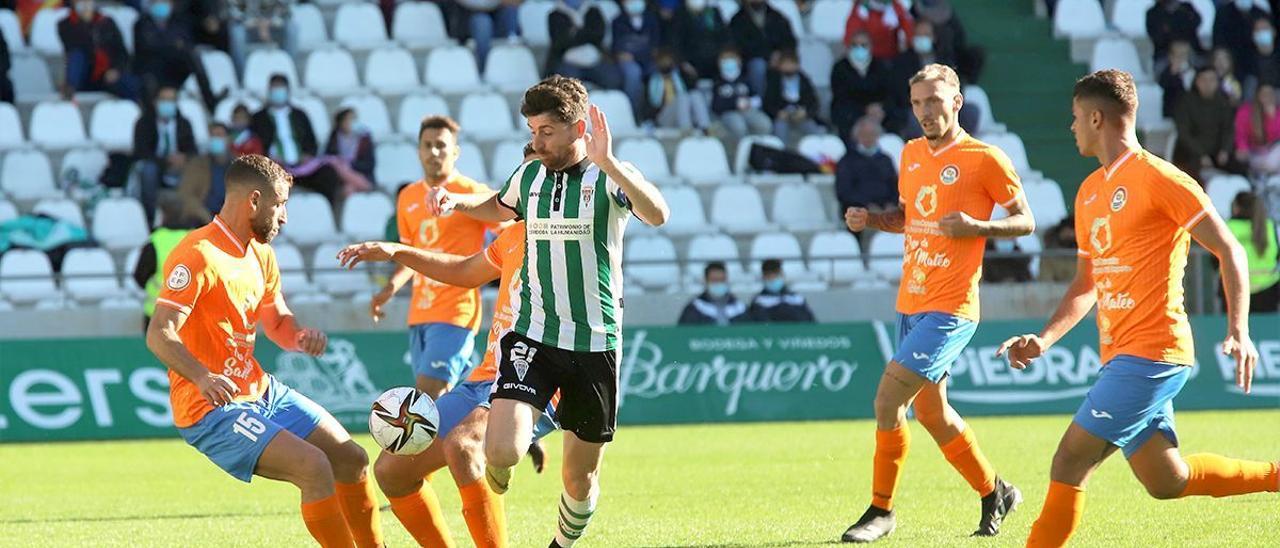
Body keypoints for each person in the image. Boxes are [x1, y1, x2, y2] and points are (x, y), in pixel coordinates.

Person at [997, 68, 1277, 547]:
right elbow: (1088, 282)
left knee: (1069, 461)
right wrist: (1045, 338)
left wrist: (1239, 329)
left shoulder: (1160, 178)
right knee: (1166, 480)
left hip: (1153, 352)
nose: (1071, 128)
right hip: (1121, 356)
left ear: (1097, 118)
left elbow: (1229, 248)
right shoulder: (1088, 193)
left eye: (1075, 118)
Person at [422, 75, 669, 547]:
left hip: (595, 344)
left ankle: (561, 543)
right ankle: (507, 458)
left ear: (578, 128)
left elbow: (658, 215)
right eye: (533, 130)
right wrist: (457, 203)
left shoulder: (607, 178)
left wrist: (610, 163)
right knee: (500, 450)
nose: (536, 140)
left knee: (579, 482)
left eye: (545, 132)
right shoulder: (530, 174)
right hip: (534, 334)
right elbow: (498, 207)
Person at [145, 155, 384, 548]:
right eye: (280, 204)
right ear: (254, 201)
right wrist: (203, 376)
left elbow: (276, 322)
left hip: (262, 391)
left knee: (353, 459)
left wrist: (299, 336)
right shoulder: (198, 254)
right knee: (314, 467)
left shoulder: (261, 254)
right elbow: (159, 333)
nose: (284, 217)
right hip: (211, 409)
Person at [840, 63, 1035, 543]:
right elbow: (911, 218)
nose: (926, 111)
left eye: (934, 100)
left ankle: (880, 512)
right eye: (918, 103)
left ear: (957, 101)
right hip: (912, 300)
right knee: (932, 413)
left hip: (951, 308)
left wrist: (979, 227)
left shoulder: (985, 158)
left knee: (888, 402)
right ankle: (997, 492)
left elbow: (1026, 221)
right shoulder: (908, 155)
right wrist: (872, 220)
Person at [337, 221, 559, 548]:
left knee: (463, 446)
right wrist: (397, 251)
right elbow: (464, 270)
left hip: (539, 378)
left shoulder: (567, 233)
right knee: (391, 471)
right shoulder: (513, 234)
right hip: (485, 378)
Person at [369, 115, 495, 399]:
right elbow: (409, 255)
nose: (434, 152)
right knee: (466, 401)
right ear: (418, 151)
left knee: (425, 401)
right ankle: (526, 437)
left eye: (441, 145)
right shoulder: (407, 197)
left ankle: (391, 447)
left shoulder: (471, 193)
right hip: (420, 314)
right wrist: (390, 288)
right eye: (427, 145)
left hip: (456, 311)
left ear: (455, 151)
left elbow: (510, 228)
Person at [250, 74, 345, 206]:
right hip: (275, 166)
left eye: (281, 88)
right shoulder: (258, 118)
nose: (278, 92)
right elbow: (255, 144)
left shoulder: (300, 115)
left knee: (328, 175)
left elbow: (311, 141)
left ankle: (328, 212)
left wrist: (308, 155)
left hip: (303, 166)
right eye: (274, 88)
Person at [133, 193, 210, 331]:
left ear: (161, 214)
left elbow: (139, 278)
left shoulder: (154, 242)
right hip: (190, 314)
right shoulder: (197, 240)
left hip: (157, 314)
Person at [133, 85, 198, 226]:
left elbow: (193, 150)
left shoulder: (184, 124)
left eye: (172, 100)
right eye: (164, 100)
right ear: (155, 102)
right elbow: (141, 152)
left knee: (196, 168)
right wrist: (165, 161)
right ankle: (150, 219)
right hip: (156, 165)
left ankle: (189, 218)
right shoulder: (144, 123)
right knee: (148, 170)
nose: (168, 104)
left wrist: (184, 158)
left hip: (179, 167)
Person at [1173, 67, 1244, 184]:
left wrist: (1225, 150)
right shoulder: (1186, 102)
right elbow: (1184, 133)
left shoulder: (1222, 101)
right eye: (1204, 80)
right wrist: (1201, 154)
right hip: (1192, 153)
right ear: (1197, 82)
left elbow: (1228, 129)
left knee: (1240, 168)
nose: (1208, 84)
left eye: (1212, 80)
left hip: (1218, 153)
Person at [58, 0, 138, 99]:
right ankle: (69, 91)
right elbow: (76, 46)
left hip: (106, 74)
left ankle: (138, 108)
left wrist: (116, 70)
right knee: (77, 56)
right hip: (85, 73)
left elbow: (121, 52)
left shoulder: (107, 22)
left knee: (129, 82)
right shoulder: (65, 25)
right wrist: (85, 22)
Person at [831, 30, 893, 140]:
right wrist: (865, 110)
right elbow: (841, 97)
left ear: (871, 47)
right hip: (851, 114)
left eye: (863, 45)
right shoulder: (840, 68)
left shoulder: (880, 66)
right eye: (855, 45)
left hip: (878, 114)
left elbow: (888, 93)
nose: (859, 48)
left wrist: (880, 108)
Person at [835, 117, 898, 225]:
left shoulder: (885, 159)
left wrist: (891, 204)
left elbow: (895, 186)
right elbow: (844, 192)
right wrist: (867, 206)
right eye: (864, 135)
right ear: (857, 137)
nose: (868, 138)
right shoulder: (847, 161)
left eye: (872, 134)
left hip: (887, 211)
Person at [545, 0, 621, 90]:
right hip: (567, 62)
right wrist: (586, 33)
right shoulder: (554, 15)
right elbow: (560, 41)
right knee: (568, 87)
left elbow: (598, 34)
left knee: (612, 78)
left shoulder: (593, 11)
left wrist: (574, 34)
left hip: (595, 60)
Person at [1223, 192, 1279, 312]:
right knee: (1265, 330)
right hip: (1268, 291)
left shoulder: (1228, 227)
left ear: (1237, 207)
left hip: (1234, 291)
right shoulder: (1270, 226)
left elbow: (1215, 261)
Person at [728, 0, 796, 95]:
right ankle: (762, 103)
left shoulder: (778, 17)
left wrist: (781, 56)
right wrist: (768, 56)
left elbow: (789, 42)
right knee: (758, 66)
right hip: (750, 65)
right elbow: (740, 48)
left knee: (790, 65)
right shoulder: (737, 20)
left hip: (779, 61)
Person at [612, 0, 662, 118]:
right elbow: (617, 48)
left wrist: (641, 55)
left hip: (648, 59)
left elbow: (655, 45)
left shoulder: (651, 19)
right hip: (627, 60)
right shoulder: (618, 21)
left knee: (657, 74)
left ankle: (655, 116)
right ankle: (633, 115)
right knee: (633, 73)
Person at [710, 46, 772, 139]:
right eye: (725, 59)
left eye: (732, 59)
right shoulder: (718, 83)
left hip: (747, 110)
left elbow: (754, 96)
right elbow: (716, 105)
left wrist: (751, 102)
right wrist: (735, 103)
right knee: (739, 126)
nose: (729, 62)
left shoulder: (744, 80)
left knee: (765, 124)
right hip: (728, 113)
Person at [764, 49, 823, 145]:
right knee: (780, 132)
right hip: (782, 116)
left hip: (800, 116)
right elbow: (768, 102)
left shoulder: (804, 80)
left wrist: (806, 113)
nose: (789, 67)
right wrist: (777, 113)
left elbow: (813, 102)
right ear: (780, 65)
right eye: (786, 64)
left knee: (815, 133)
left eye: (791, 63)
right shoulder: (774, 80)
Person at [646, 48, 711, 130]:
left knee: (695, 94)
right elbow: (653, 104)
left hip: (684, 114)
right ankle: (686, 129)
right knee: (682, 98)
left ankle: (705, 127)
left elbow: (692, 88)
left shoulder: (679, 76)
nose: (666, 64)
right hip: (663, 118)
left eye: (668, 61)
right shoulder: (652, 80)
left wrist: (691, 74)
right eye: (663, 61)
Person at [179, 122, 235, 216]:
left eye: (219, 135)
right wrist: (204, 216)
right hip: (203, 218)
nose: (215, 139)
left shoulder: (239, 166)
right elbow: (186, 194)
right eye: (212, 136)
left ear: (228, 139)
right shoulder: (197, 164)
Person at [1212, 0, 1268, 85]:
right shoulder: (1223, 12)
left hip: (1254, 65)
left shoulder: (1260, 14)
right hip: (1230, 65)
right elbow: (1218, 43)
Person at [671, 0, 729, 82]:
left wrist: (724, 57)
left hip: (715, 62)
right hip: (692, 65)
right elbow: (676, 42)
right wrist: (683, 63)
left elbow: (724, 35)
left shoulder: (713, 12)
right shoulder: (680, 16)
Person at [743, 259, 815, 323]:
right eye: (769, 276)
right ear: (763, 278)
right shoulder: (759, 301)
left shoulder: (797, 298)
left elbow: (810, 321)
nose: (773, 279)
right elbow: (762, 324)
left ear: (782, 275)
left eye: (776, 275)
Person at [678, 261, 747, 325]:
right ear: (706, 281)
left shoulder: (738, 307)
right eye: (714, 280)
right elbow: (684, 333)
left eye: (722, 280)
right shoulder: (695, 308)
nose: (718, 284)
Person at [843, 0, 914, 60]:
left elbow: (909, 30)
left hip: (891, 58)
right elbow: (850, 37)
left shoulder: (894, 6)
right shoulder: (861, 8)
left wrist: (908, 46)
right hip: (869, 60)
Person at [1234, 83, 1280, 174]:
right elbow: (1240, 134)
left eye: (1270, 94)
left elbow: (1274, 139)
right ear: (1257, 95)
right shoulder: (1246, 111)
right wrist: (1242, 147)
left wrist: (1272, 117)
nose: (1268, 97)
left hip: (1272, 155)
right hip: (1253, 155)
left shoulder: (1277, 112)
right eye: (1264, 94)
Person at [1145, 0, 1202, 72]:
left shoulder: (1186, 7)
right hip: (1164, 54)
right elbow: (1156, 36)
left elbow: (1196, 21)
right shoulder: (1153, 13)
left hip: (1192, 50)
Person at [325, 108, 376, 184]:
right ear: (341, 122)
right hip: (339, 176)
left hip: (362, 174)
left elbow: (369, 164)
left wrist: (350, 165)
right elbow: (329, 157)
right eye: (349, 119)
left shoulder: (365, 139)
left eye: (354, 119)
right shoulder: (334, 137)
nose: (352, 122)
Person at [1156, 40, 1195, 118]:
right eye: (1178, 55)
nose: (1182, 59)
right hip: (1173, 113)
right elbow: (1162, 83)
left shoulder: (1192, 71)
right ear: (1171, 57)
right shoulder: (1167, 73)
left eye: (1184, 55)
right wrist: (1173, 73)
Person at [1038, 215, 1078, 283]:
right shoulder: (1049, 256)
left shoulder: (1086, 256)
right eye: (1066, 231)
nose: (1069, 235)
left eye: (1072, 231)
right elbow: (1046, 281)